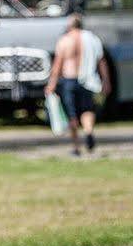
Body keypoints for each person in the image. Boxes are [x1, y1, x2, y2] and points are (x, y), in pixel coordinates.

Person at [45, 13, 111, 155]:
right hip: (88, 80)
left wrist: (52, 84)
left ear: (69, 26)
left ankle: (76, 147)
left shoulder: (64, 41)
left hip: (69, 80)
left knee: (72, 114)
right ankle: (88, 132)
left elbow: (57, 65)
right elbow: (101, 62)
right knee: (87, 110)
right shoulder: (92, 39)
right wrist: (106, 81)